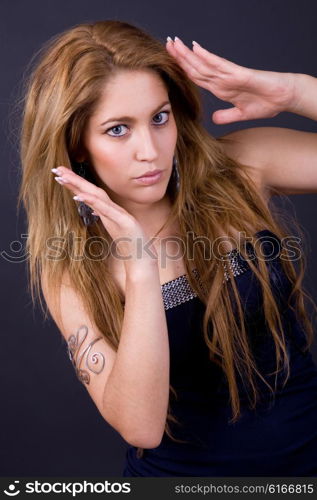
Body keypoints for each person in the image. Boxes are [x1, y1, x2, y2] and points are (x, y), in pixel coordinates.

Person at [18, 20, 317, 477]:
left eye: (159, 118)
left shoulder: (240, 169)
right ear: (77, 145)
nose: (151, 151)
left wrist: (296, 93)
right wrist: (140, 268)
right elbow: (141, 427)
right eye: (118, 130)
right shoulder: (70, 268)